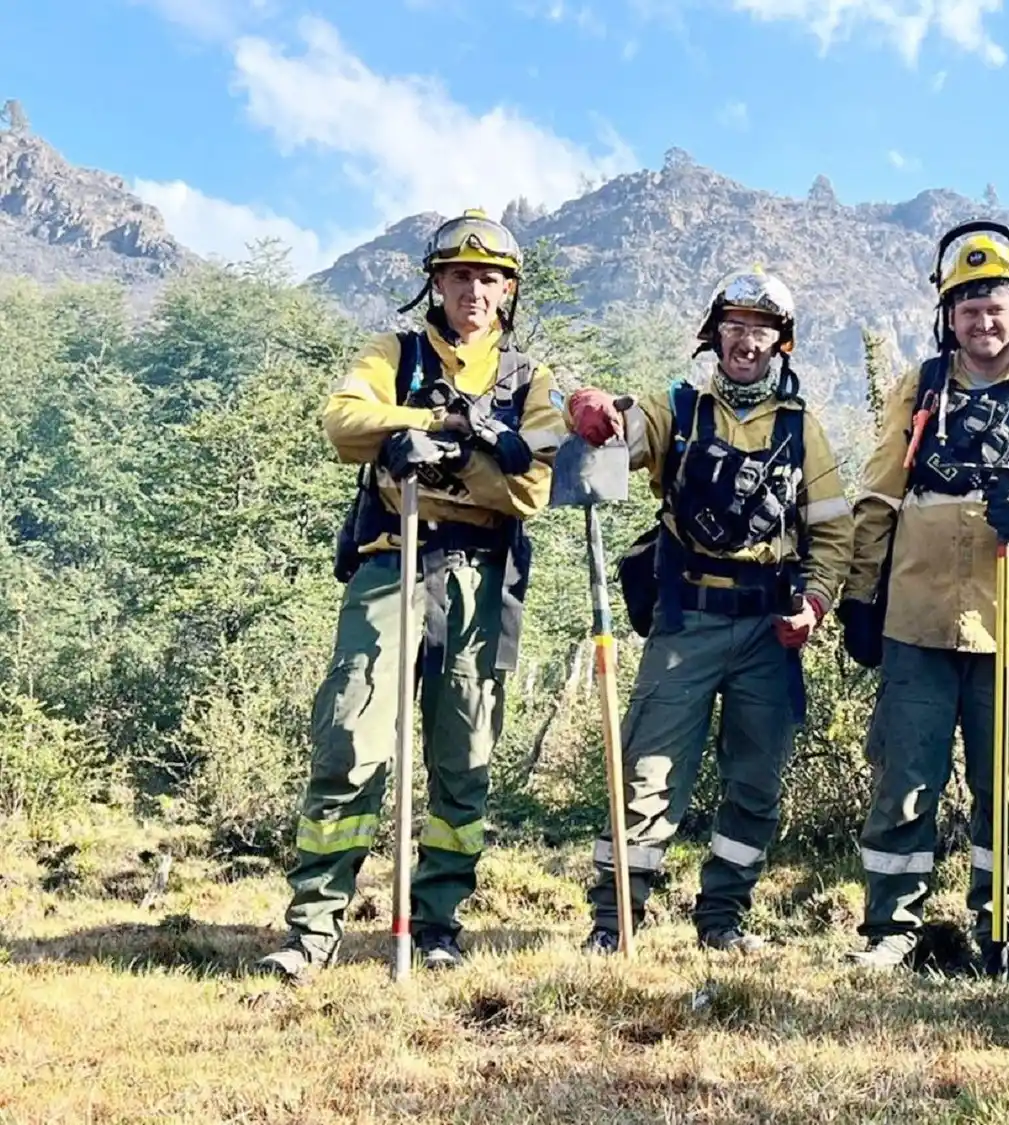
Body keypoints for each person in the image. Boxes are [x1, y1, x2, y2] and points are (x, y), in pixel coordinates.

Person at [254, 209, 567, 980]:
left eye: (491, 278)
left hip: (478, 581)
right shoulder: (393, 352)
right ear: (435, 282)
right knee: (351, 743)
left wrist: (459, 451)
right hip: (394, 561)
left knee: (464, 759)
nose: (475, 290)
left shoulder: (533, 380)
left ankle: (439, 924)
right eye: (459, 275)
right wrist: (420, 424)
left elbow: (531, 486)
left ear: (510, 292)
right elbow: (344, 420)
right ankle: (313, 930)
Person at [835, 224, 1009, 976]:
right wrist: (859, 596)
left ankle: (1005, 934)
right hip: (917, 620)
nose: (980, 320)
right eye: (965, 307)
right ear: (946, 315)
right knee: (903, 779)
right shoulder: (920, 388)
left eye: (994, 304)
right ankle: (890, 931)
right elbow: (876, 496)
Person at [564, 266, 853, 954]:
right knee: (647, 773)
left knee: (755, 780)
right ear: (713, 334)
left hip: (768, 628)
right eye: (734, 326)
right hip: (684, 620)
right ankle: (614, 921)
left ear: (781, 342)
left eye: (761, 329)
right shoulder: (679, 409)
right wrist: (597, 413)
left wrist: (815, 604)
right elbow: (623, 434)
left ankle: (723, 918)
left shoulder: (802, 429)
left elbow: (835, 531)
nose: (745, 341)